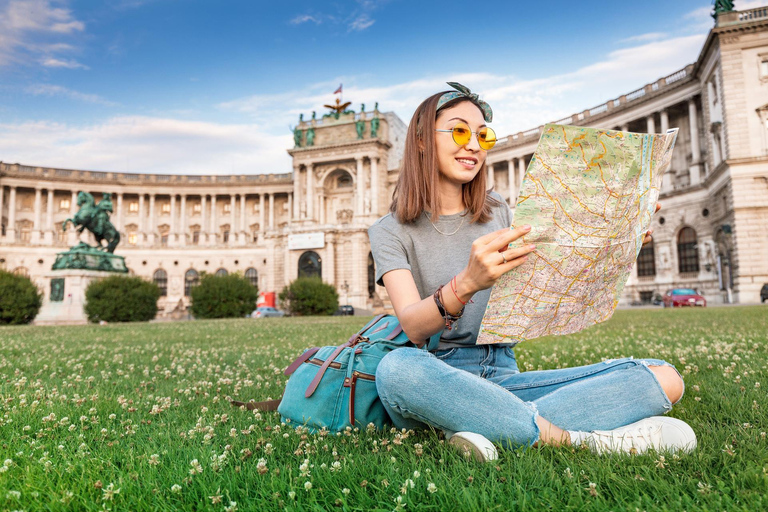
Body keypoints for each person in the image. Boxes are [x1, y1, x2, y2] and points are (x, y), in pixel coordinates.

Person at [368, 83, 696, 462]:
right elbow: (411, 324)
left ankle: (481, 426)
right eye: (459, 131)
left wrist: (613, 244)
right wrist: (467, 283)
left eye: (482, 135)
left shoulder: (499, 212)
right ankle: (577, 440)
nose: (473, 145)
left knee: (664, 376)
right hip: (436, 374)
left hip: (504, 376)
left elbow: (548, 283)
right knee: (396, 369)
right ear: (423, 141)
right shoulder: (389, 230)